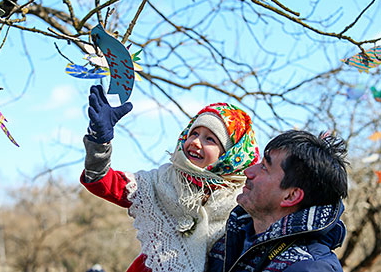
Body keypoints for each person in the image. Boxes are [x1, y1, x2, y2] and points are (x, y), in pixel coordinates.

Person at [80, 85, 259, 272]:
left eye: (210, 139)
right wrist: (99, 142)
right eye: (194, 133)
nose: (196, 142)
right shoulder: (161, 181)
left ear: (229, 155)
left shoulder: (243, 203)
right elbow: (103, 181)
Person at [207, 130, 349, 272]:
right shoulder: (228, 240)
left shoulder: (309, 267)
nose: (248, 172)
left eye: (264, 167)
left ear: (290, 196)